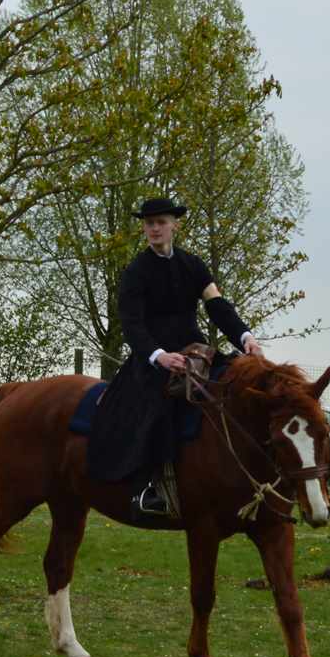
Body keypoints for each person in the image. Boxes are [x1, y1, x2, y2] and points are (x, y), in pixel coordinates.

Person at [87, 196, 264, 516]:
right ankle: (150, 486)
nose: (155, 228)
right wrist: (159, 356)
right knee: (158, 404)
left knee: (235, 384)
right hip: (152, 360)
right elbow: (131, 324)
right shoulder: (135, 272)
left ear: (174, 226)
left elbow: (217, 307)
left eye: (161, 222)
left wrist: (245, 337)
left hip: (197, 352)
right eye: (149, 223)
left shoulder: (193, 265)